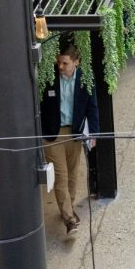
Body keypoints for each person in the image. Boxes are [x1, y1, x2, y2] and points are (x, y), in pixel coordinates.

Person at [39, 44, 99, 234]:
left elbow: (92, 107)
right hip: (53, 134)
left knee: (73, 174)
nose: (61, 67)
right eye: (59, 62)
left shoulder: (84, 79)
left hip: (74, 132)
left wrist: (94, 133)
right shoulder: (49, 78)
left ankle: (68, 208)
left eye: (65, 63)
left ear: (76, 62)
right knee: (61, 176)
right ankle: (69, 218)